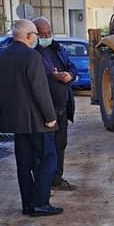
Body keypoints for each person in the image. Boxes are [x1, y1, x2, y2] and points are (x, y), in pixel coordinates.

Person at [0, 19, 62, 217]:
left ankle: (28, 204)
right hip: (36, 120)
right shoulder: (32, 57)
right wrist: (50, 116)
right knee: (49, 158)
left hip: (15, 120)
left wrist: (8, 109)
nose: (37, 39)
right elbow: (40, 90)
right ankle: (40, 202)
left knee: (24, 164)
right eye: (35, 35)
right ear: (28, 36)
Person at [33, 17, 77, 191]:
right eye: (42, 34)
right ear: (35, 34)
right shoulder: (33, 53)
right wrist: (53, 75)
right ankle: (43, 183)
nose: (46, 36)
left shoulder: (58, 49)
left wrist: (69, 75)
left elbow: (71, 66)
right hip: (44, 110)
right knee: (43, 148)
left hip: (62, 107)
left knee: (60, 144)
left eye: (48, 33)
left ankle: (57, 179)